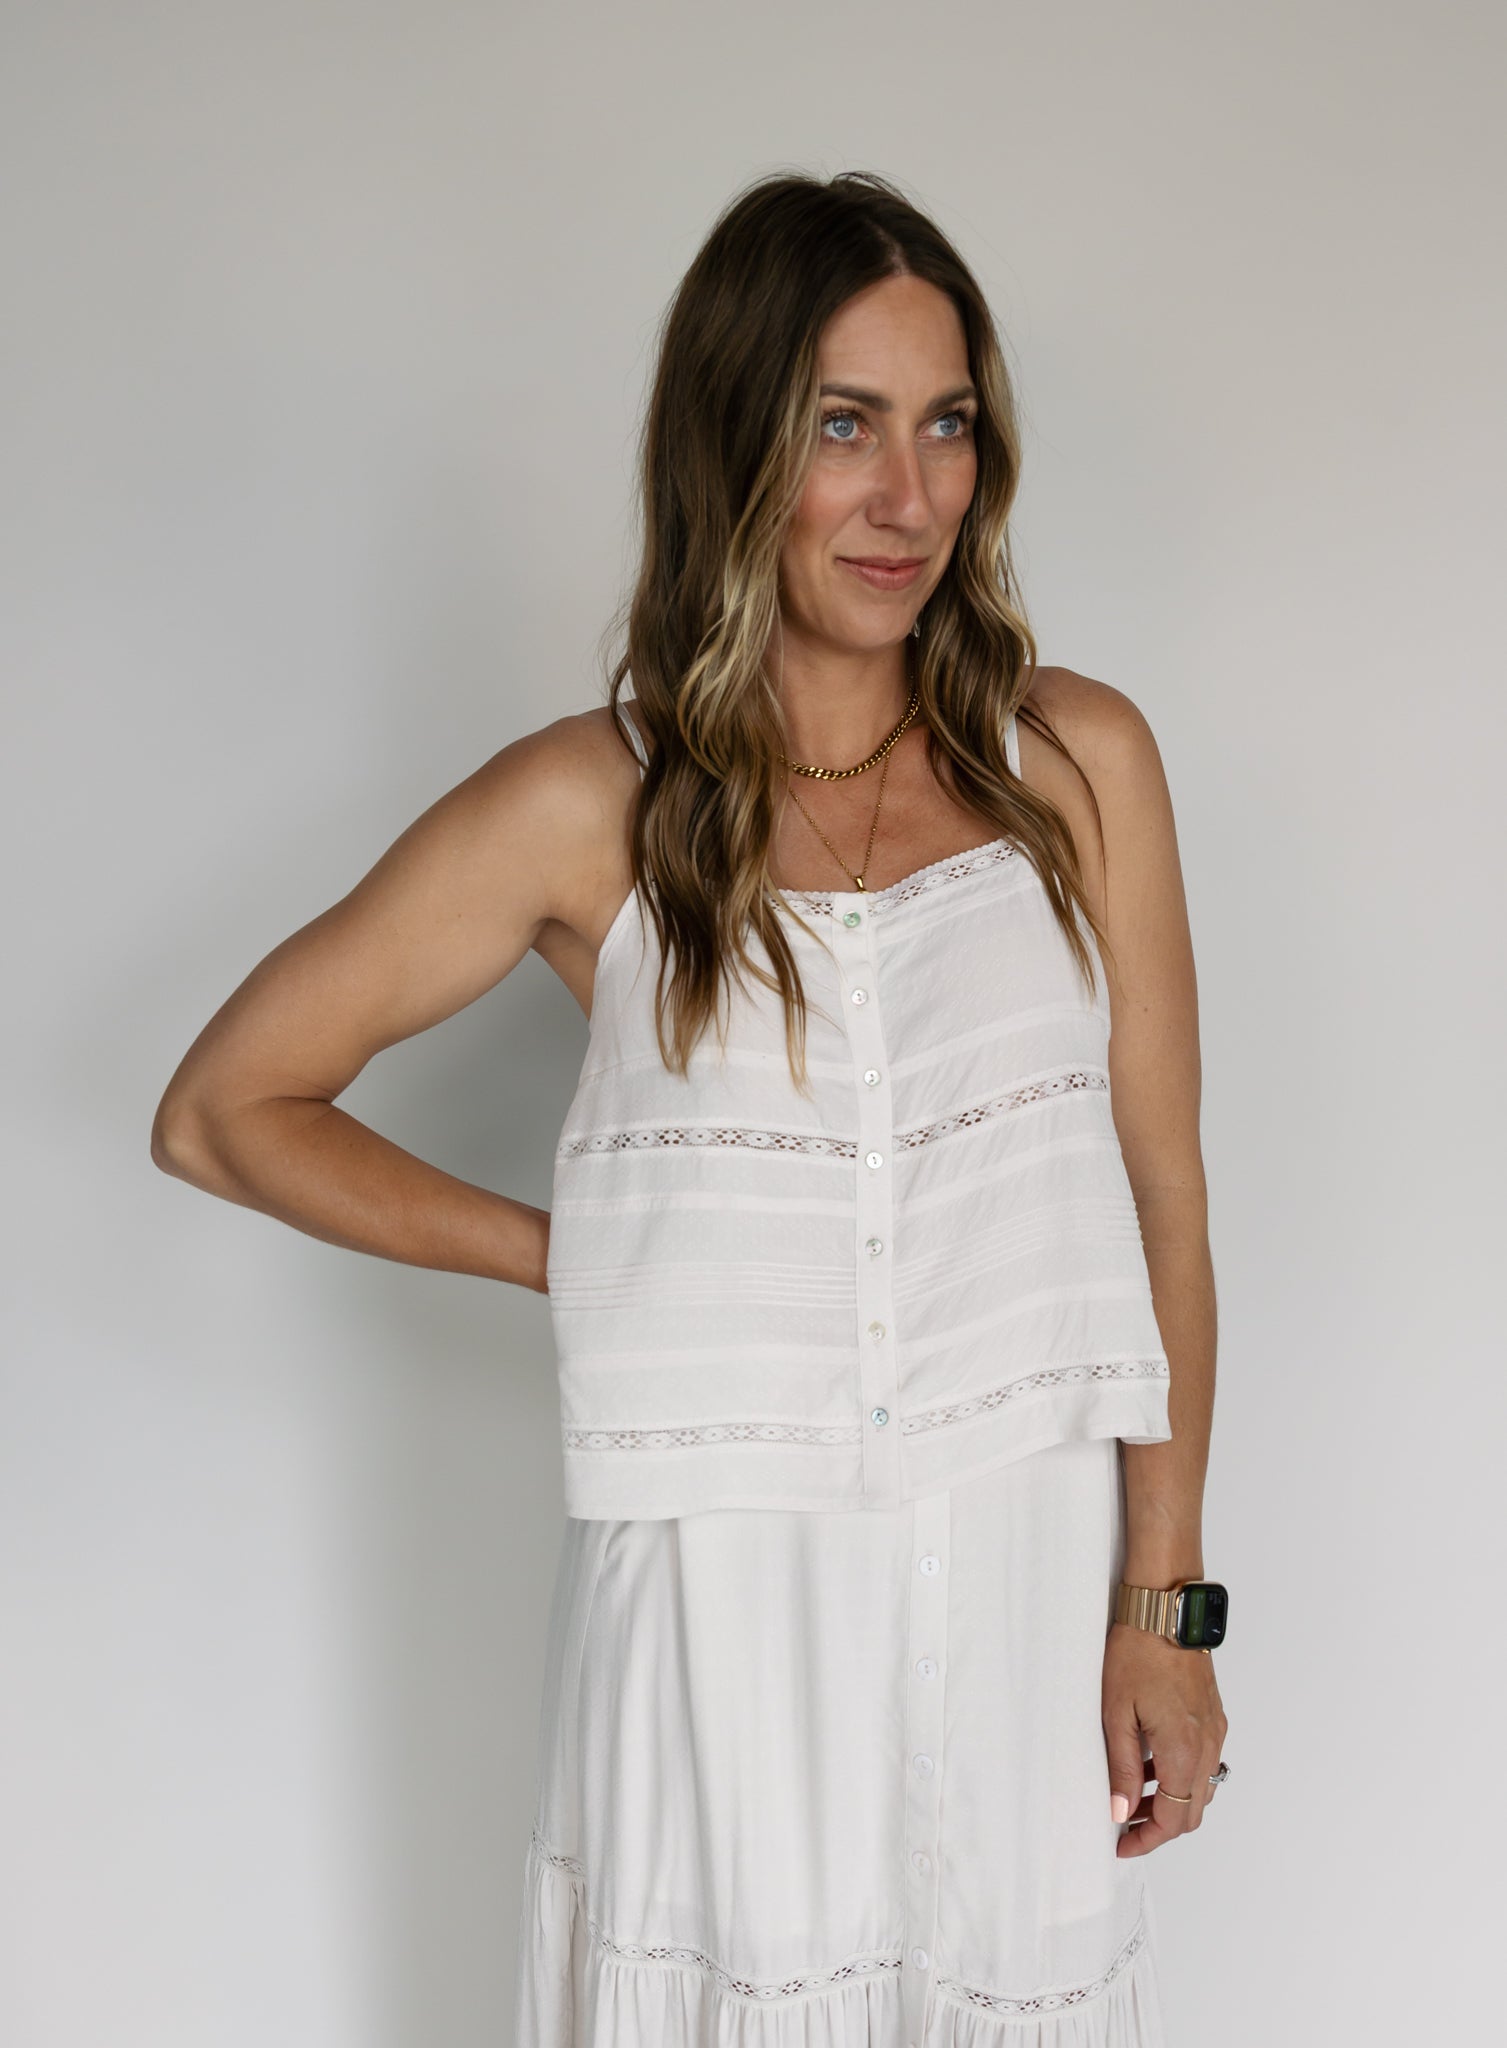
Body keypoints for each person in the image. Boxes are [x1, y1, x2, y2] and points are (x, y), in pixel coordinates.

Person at [153, 169, 1229, 2047]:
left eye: (948, 425)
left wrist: (1170, 1606)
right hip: (721, 1607)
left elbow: (1164, 1204)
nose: (910, 498)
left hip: (1022, 1580)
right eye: (844, 426)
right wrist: (579, 1256)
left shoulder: (1078, 764)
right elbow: (227, 1106)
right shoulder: (596, 806)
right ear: (734, 447)